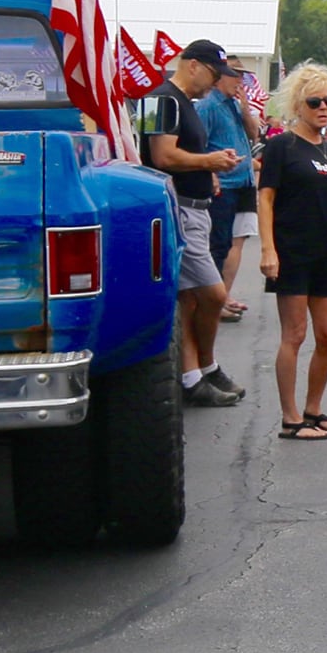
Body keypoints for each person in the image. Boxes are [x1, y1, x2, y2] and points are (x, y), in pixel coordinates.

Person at [140, 40, 246, 407]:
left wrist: (210, 167)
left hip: (196, 206)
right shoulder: (159, 100)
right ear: (194, 65)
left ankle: (192, 376)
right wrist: (209, 162)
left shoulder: (182, 102)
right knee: (213, 294)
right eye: (215, 74)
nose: (216, 82)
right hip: (180, 209)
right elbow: (162, 155)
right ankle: (206, 364)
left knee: (187, 299)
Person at [256, 63, 327, 441]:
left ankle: (314, 410)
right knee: (295, 335)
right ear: (298, 104)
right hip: (292, 252)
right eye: (314, 101)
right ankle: (291, 417)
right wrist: (268, 249)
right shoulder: (283, 145)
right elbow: (265, 199)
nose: (323, 108)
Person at [200, 68, 257, 323]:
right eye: (237, 77)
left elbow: (254, 133)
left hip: (244, 181)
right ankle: (214, 300)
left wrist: (245, 107)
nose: (241, 83)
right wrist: (209, 172)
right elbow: (197, 143)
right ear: (221, 77)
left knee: (239, 238)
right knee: (219, 243)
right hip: (224, 183)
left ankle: (224, 294)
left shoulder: (233, 105)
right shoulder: (208, 106)